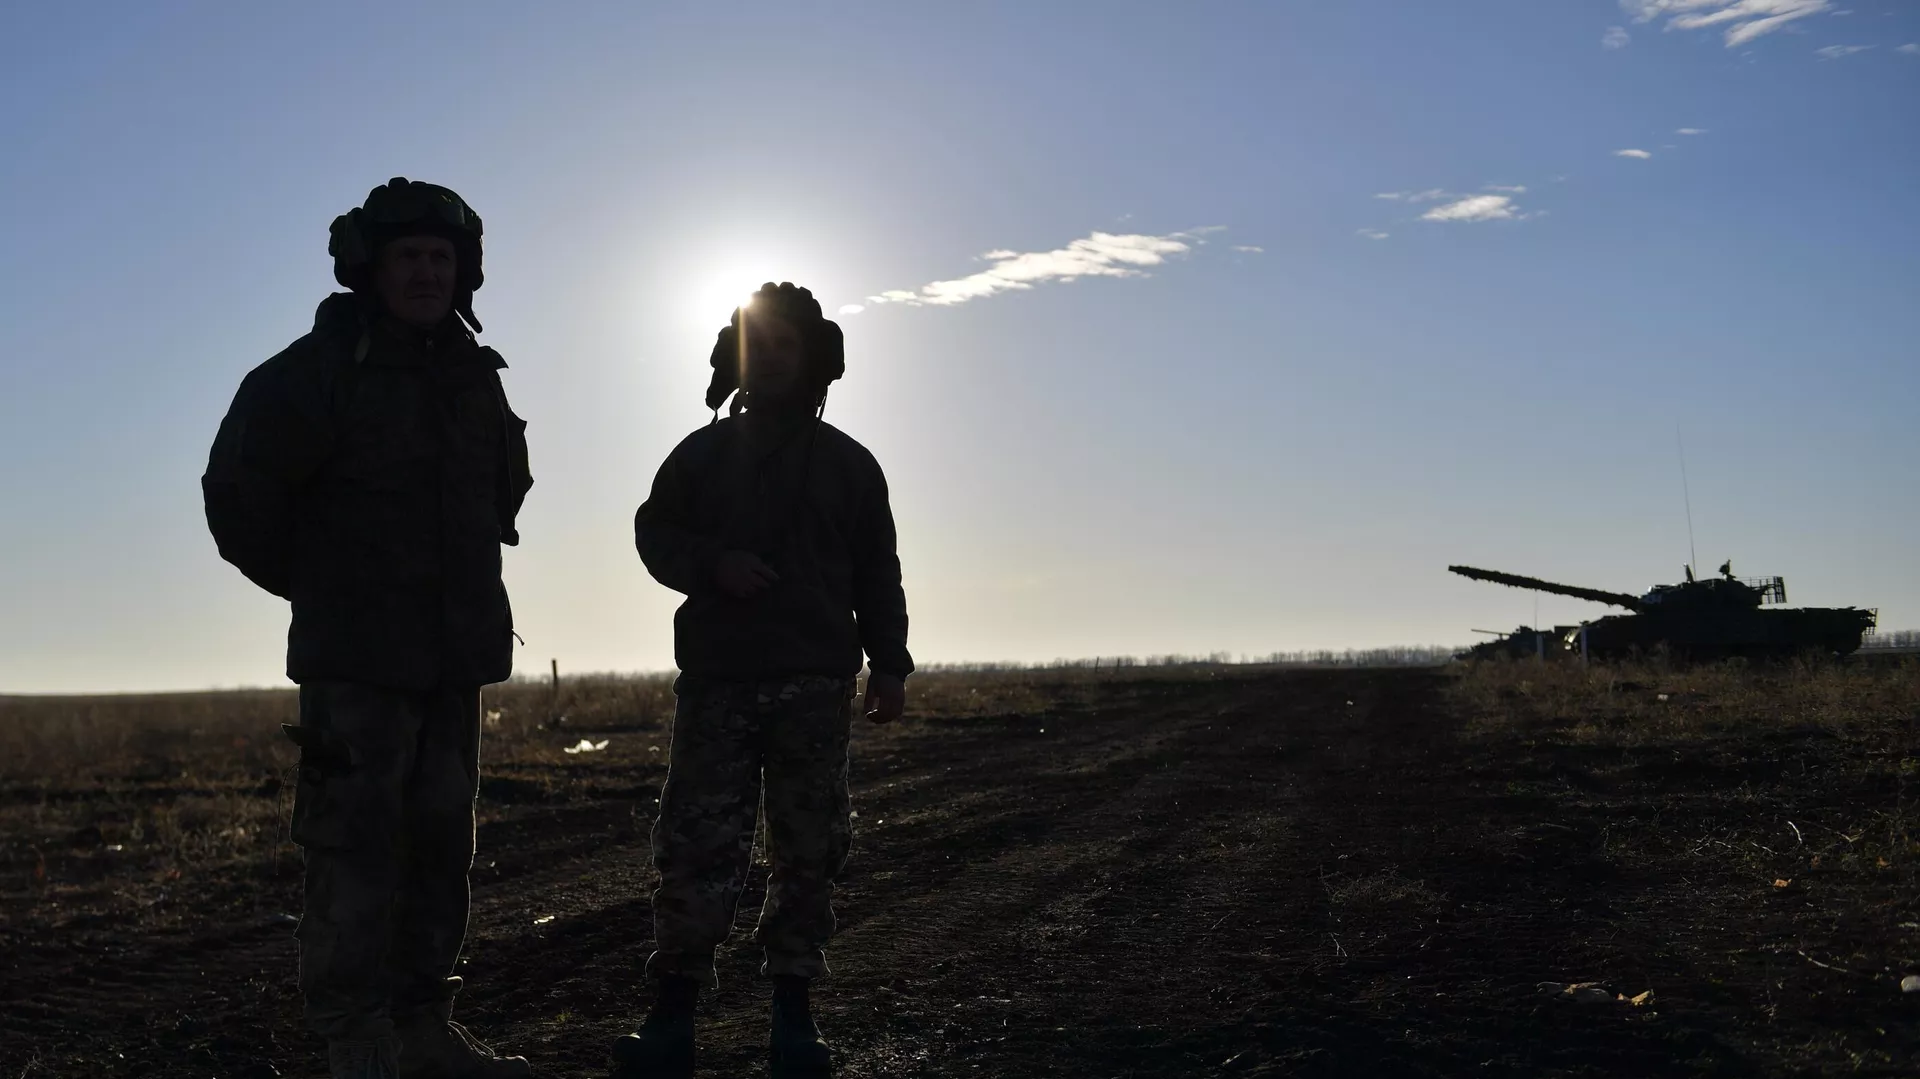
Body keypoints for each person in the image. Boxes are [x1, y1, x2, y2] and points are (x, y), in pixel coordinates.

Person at [202, 178, 533, 1079]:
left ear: (463, 272)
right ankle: (356, 1048)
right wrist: (326, 590)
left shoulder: (474, 379)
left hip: (453, 661)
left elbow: (502, 495)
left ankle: (424, 1029)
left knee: (439, 848)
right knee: (353, 854)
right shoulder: (314, 375)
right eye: (409, 258)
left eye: (441, 259)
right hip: (356, 668)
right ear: (371, 270)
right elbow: (238, 498)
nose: (427, 273)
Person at [617, 282, 912, 1078]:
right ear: (735, 356)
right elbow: (653, 531)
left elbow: (877, 571)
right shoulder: (700, 455)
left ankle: (794, 1013)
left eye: (787, 345)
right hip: (717, 681)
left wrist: (890, 662)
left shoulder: (850, 466)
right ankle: (672, 1015)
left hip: (814, 686)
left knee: (808, 847)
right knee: (696, 843)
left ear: (814, 358)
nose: (773, 358)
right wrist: (712, 565)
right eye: (759, 344)